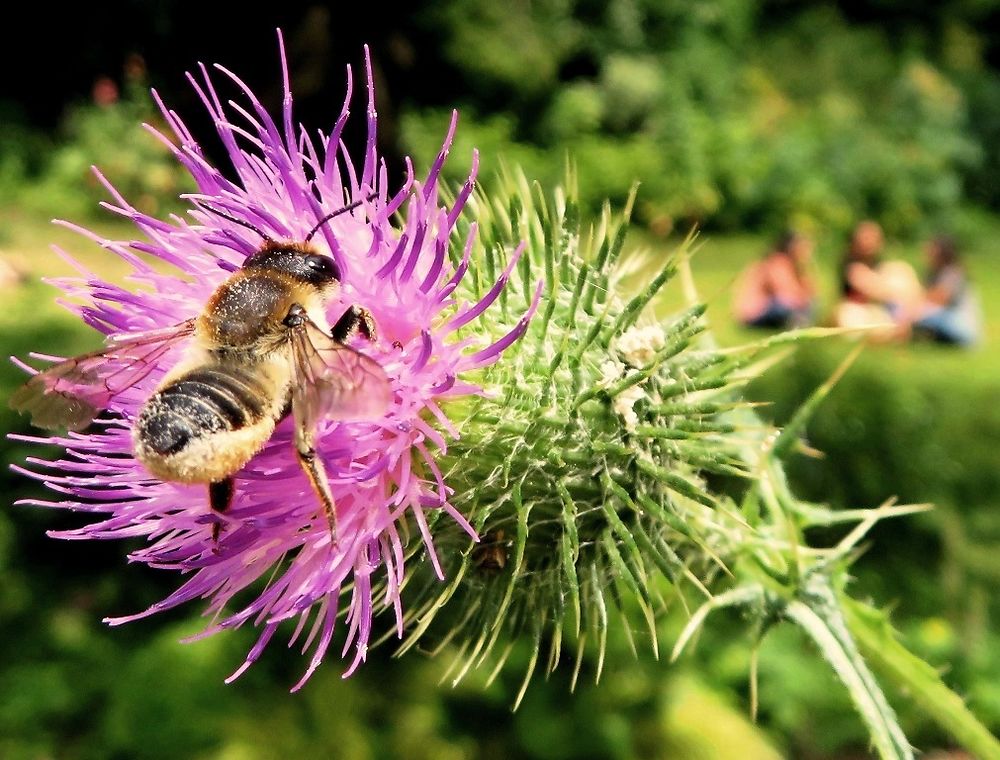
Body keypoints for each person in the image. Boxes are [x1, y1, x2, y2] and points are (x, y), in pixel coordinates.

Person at [833, 220, 921, 339]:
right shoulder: (851, 265)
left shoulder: (883, 265)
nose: (868, 242)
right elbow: (873, 290)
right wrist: (900, 294)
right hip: (855, 310)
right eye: (865, 238)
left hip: (878, 310)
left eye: (872, 238)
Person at [733, 231, 816, 329]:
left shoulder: (793, 266)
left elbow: (811, 292)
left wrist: (804, 269)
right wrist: (802, 297)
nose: (807, 252)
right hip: (753, 313)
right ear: (793, 247)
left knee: (811, 304)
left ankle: (796, 322)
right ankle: (796, 322)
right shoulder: (777, 262)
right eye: (804, 248)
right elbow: (784, 292)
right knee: (787, 304)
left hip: (771, 308)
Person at [910, 234, 981, 346]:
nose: (925, 251)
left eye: (930, 248)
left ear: (940, 252)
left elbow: (939, 299)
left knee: (920, 314)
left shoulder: (954, 272)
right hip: (946, 321)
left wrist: (912, 311)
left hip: (964, 328)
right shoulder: (932, 273)